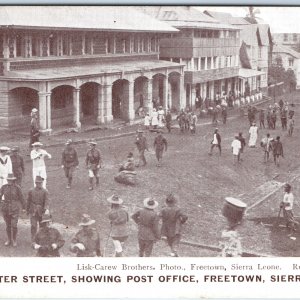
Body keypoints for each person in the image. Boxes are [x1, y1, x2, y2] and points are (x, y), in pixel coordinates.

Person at [0, 173, 25, 247]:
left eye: (11, 180)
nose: (9, 181)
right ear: (7, 180)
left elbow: (22, 198)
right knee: (8, 225)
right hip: (6, 208)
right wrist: (1, 203)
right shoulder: (4, 187)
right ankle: (9, 239)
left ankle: (14, 240)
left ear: (13, 180)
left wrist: (24, 207)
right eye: (8, 180)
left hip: (15, 208)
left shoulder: (17, 188)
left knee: (14, 225)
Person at [27, 175, 50, 242]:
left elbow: (47, 201)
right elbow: (28, 200)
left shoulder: (45, 191)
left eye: (40, 183)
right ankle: (33, 240)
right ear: (35, 183)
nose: (39, 184)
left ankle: (41, 239)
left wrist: (46, 209)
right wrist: (27, 209)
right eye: (37, 183)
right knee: (33, 226)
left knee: (42, 226)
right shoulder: (31, 191)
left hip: (42, 211)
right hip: (33, 211)